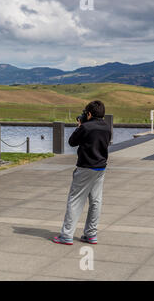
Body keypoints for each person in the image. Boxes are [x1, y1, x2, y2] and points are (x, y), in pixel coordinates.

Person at [52, 100, 111, 245]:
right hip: (100, 168)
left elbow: (72, 142)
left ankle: (66, 235)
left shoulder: (86, 127)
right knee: (96, 201)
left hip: (85, 167)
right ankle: (91, 234)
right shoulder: (107, 127)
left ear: (89, 114)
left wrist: (80, 126)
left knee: (75, 201)